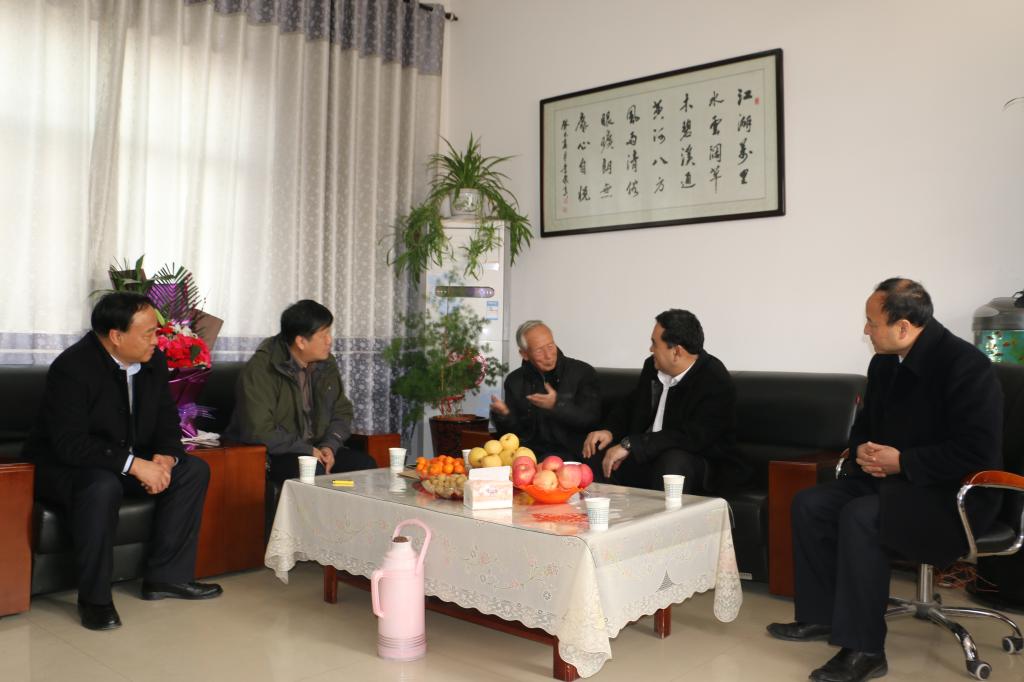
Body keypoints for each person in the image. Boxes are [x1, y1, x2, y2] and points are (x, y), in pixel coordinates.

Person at [767, 278, 1003, 682]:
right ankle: (820, 616)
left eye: (871, 323)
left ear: (904, 327)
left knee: (862, 516)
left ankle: (865, 650)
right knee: (811, 503)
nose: (866, 330)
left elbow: (976, 451)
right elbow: (865, 427)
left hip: (953, 495)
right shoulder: (884, 364)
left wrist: (904, 462)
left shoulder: (966, 367)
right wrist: (862, 451)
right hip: (896, 483)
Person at [24, 292, 222, 631]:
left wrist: (166, 458)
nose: (156, 340)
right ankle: (95, 600)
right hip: (65, 466)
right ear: (116, 336)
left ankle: (167, 578)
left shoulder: (153, 361)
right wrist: (135, 465)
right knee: (101, 486)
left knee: (193, 471)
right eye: (148, 333)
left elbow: (166, 421)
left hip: (121, 459)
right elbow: (71, 444)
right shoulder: (72, 368)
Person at [582, 309, 749, 494]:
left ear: (676, 352)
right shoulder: (652, 367)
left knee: (672, 462)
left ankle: (669, 515)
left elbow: (691, 437)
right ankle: (609, 512)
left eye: (655, 343)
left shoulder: (714, 379)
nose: (650, 349)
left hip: (700, 463)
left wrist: (631, 445)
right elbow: (630, 405)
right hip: (649, 453)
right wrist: (609, 431)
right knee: (596, 455)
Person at [226, 299, 375, 484]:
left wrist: (329, 445)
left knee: (365, 466)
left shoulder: (326, 364)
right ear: (301, 342)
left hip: (316, 448)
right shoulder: (261, 369)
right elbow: (258, 430)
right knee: (312, 472)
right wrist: (307, 450)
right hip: (275, 454)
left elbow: (342, 411)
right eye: (324, 335)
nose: (330, 341)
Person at [489, 320, 601, 460]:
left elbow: (592, 420)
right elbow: (514, 436)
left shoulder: (582, 373)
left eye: (550, 346)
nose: (548, 355)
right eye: (539, 351)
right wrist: (505, 416)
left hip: (572, 456)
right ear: (524, 354)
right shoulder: (515, 381)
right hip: (528, 456)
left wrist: (558, 405)